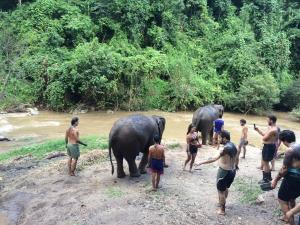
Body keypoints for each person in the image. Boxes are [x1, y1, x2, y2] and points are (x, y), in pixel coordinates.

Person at [196, 130, 237, 215]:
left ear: (224, 138)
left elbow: (214, 159)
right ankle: (222, 203)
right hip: (232, 171)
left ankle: (222, 210)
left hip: (224, 172)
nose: (218, 139)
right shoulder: (233, 146)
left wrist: (200, 162)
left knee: (220, 191)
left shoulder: (225, 149)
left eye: (220, 137)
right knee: (225, 188)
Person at [271, 130, 299, 225]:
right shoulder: (298, 145)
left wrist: (275, 180)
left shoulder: (290, 150)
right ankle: (288, 216)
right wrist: (283, 153)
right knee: (292, 197)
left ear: (284, 140)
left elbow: (284, 169)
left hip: (293, 178)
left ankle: (290, 221)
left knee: (282, 199)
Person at [255, 115, 279, 184]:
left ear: (271, 121)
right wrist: (258, 130)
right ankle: (268, 178)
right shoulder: (271, 128)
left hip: (269, 147)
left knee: (266, 163)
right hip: (267, 146)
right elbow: (264, 134)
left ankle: (266, 179)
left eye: (267, 120)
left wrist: (267, 132)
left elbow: (264, 138)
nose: (267, 121)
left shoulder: (273, 130)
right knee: (266, 162)